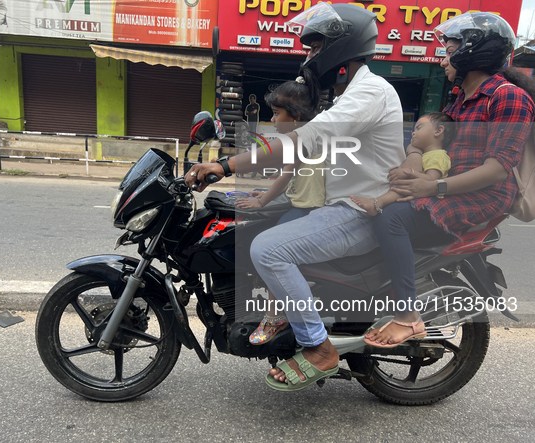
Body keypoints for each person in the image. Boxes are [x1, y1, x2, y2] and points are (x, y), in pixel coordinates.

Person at [186, 4, 413, 391]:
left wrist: (226, 166)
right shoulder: (349, 96)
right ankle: (283, 314)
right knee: (256, 230)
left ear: (342, 48)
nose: (308, 56)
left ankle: (318, 348)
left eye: (315, 47)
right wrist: (261, 192)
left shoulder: (371, 93)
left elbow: (301, 141)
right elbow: (303, 156)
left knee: (268, 250)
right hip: (339, 206)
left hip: (360, 212)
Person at [364, 12, 535, 349]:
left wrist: (433, 187)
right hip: (447, 186)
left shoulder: (509, 98)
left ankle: (407, 317)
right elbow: (424, 146)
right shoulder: (460, 100)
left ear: (473, 52)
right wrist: (413, 169)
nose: (443, 61)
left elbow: (498, 168)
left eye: (449, 50)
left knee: (391, 217)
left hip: (482, 196)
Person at [232, 71, 324, 344]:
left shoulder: (301, 137)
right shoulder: (313, 133)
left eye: (275, 113)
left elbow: (285, 174)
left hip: (309, 210)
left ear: (294, 115)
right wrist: (266, 194)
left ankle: (275, 314)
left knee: (270, 251)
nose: (272, 120)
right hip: (303, 203)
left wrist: (261, 201)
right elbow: (290, 178)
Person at [351, 112, 454, 216]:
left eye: (419, 128)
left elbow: (432, 179)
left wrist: (408, 173)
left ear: (438, 131)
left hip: (421, 193)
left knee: (402, 188)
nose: (413, 133)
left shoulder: (438, 156)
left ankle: (377, 203)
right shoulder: (422, 153)